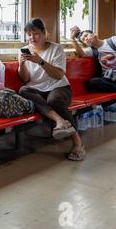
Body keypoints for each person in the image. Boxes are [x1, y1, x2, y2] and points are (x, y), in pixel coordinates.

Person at [18, 18, 86, 161]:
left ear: (44, 33)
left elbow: (59, 75)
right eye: (29, 34)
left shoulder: (56, 49)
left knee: (54, 100)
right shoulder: (23, 51)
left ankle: (78, 143)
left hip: (59, 87)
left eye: (35, 33)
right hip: (37, 89)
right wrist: (22, 65)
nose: (32, 37)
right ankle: (59, 121)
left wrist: (40, 61)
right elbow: (25, 79)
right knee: (23, 90)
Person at [70, 26, 116, 127]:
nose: (86, 39)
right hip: (110, 80)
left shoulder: (112, 40)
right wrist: (72, 39)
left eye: (87, 35)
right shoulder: (92, 50)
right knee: (92, 82)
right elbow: (81, 54)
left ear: (94, 34)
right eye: (84, 39)